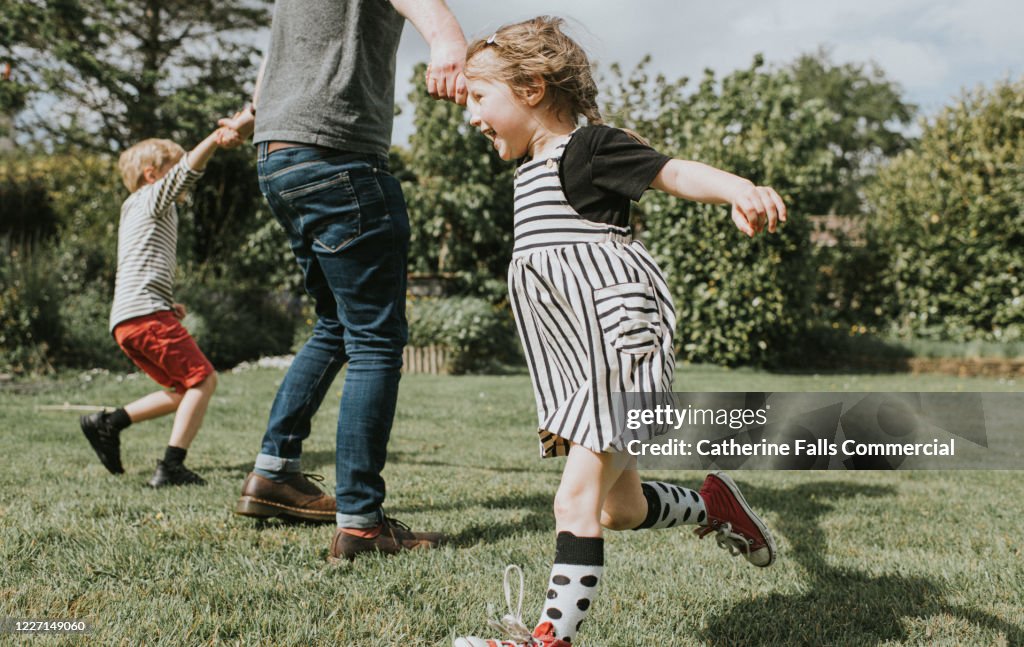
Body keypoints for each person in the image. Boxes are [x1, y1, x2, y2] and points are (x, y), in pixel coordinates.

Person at [453, 16, 785, 647]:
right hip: (579, 362)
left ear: (531, 88)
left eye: (479, 97)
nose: (470, 115)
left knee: (573, 502)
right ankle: (716, 505)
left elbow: (674, 172)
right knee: (619, 509)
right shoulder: (530, 168)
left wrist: (738, 189)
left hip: (618, 347)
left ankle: (551, 638)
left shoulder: (591, 148)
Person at [216, 0, 468, 561]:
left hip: (280, 155)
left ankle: (274, 473)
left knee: (336, 323)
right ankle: (360, 523)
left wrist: (256, 110)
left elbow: (275, 60)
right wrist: (446, 35)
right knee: (376, 339)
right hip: (337, 152)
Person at [80, 130, 227, 488]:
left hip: (129, 318)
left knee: (182, 389)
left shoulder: (134, 208)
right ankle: (171, 467)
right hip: (145, 314)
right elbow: (186, 172)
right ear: (151, 174)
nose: (180, 175)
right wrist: (215, 139)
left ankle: (109, 423)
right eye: (172, 166)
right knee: (203, 380)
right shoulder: (151, 197)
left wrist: (164, 300)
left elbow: (138, 263)